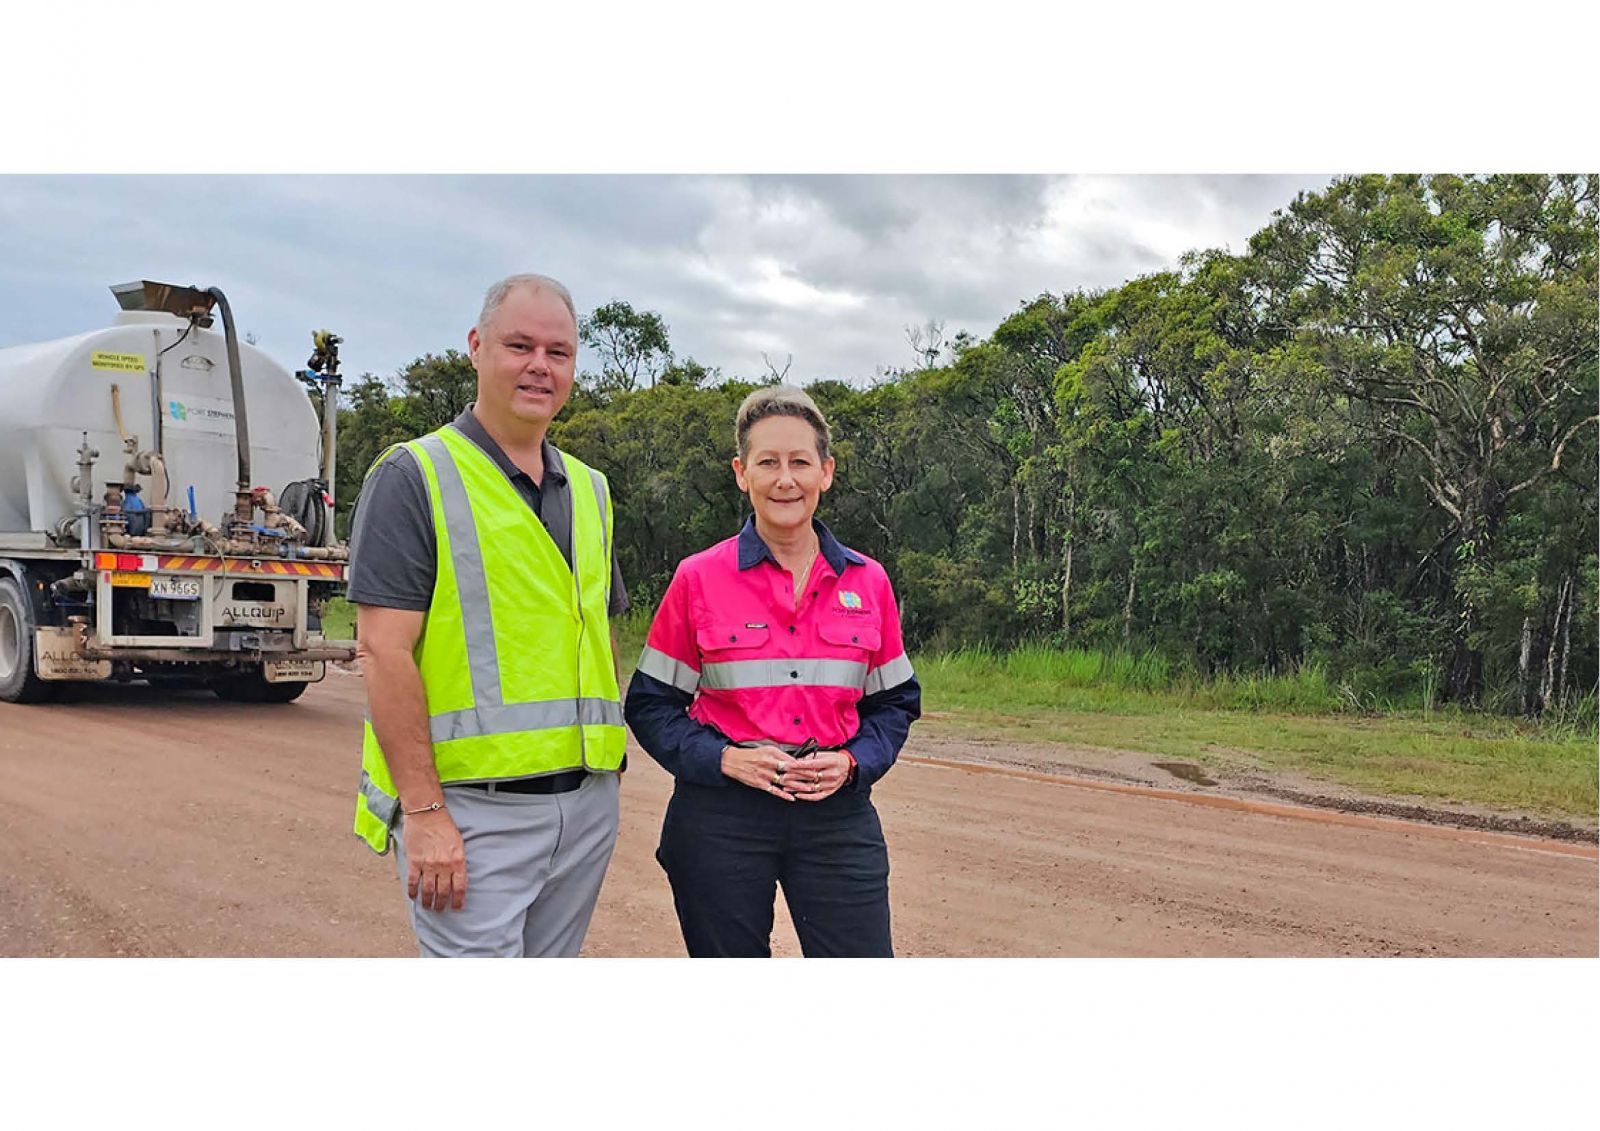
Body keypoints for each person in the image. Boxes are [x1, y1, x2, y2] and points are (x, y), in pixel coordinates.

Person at [349, 273, 628, 958]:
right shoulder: (415, 476)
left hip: (584, 809)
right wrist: (424, 810)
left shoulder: (591, 490)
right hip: (473, 812)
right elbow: (384, 652)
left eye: (558, 352)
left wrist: (606, 769)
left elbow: (596, 629)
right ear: (476, 347)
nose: (540, 366)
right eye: (520, 345)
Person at [624, 385, 921, 957]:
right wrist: (725, 759)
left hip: (835, 814)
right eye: (767, 463)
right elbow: (651, 704)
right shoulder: (697, 579)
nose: (785, 479)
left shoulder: (869, 582)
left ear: (826, 472)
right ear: (742, 473)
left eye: (799, 462)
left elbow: (895, 704)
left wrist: (855, 763)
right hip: (720, 815)